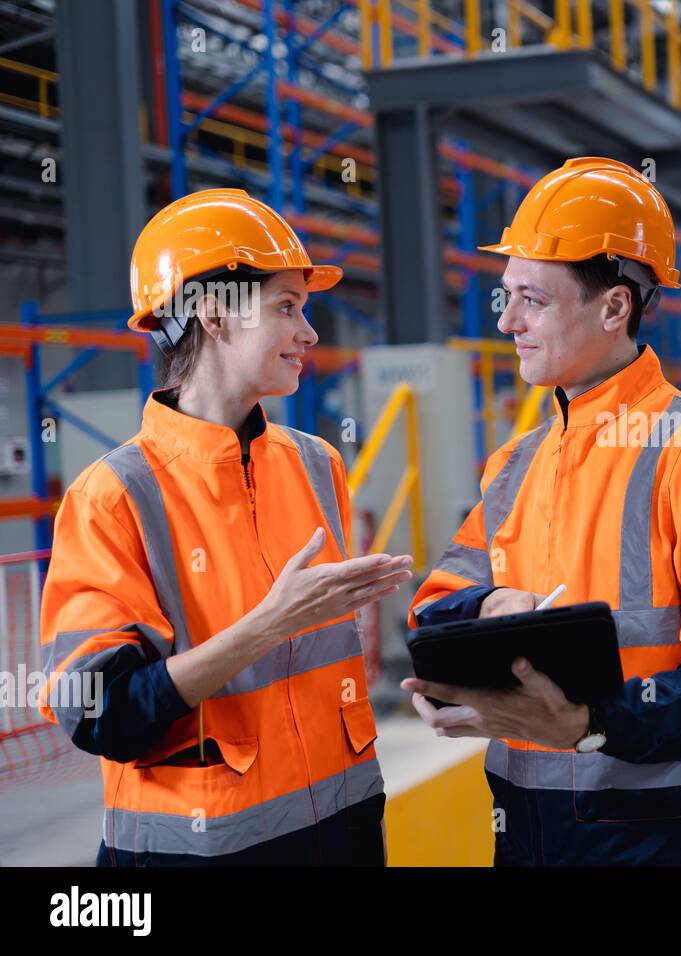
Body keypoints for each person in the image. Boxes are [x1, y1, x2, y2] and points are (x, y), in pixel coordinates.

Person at [401, 157, 681, 866]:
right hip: (523, 833)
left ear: (615, 307)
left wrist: (588, 725)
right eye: (506, 296)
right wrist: (490, 610)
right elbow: (434, 607)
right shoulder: (513, 465)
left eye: (533, 299)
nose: (508, 321)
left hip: (651, 839)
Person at [38, 188, 412, 866]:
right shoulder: (113, 496)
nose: (309, 334)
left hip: (343, 827)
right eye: (288, 308)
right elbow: (99, 711)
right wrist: (267, 624)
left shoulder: (316, 464)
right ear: (213, 315)